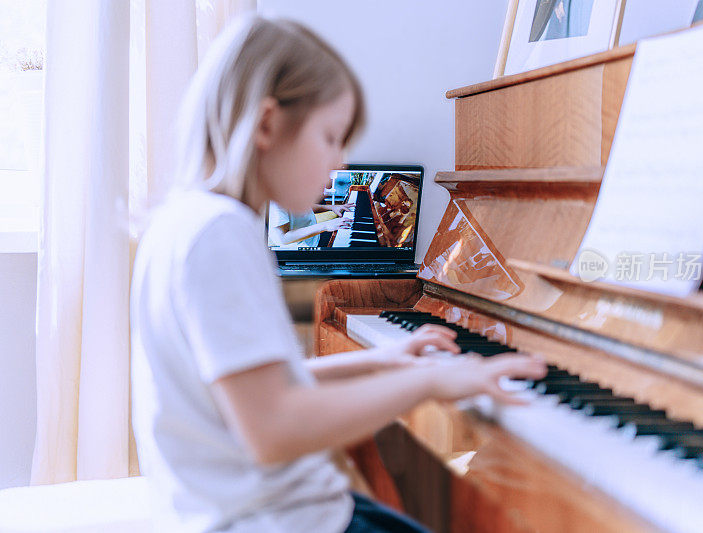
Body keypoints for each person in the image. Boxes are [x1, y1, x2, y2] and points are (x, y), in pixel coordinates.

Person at [130, 14, 546, 533]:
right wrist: (430, 382)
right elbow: (274, 427)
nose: (340, 162)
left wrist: (387, 363)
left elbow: (263, 388)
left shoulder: (186, 223)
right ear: (266, 125)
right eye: (330, 137)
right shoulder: (219, 235)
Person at [268, 199, 354, 248]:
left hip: (314, 237)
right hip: (304, 248)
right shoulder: (276, 202)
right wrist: (326, 225)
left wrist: (331, 207)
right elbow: (283, 238)